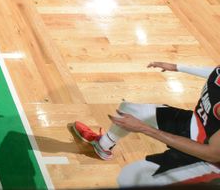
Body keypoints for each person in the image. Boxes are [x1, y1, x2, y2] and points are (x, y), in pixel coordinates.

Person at [70, 61, 220, 186]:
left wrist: (144, 128)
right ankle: (103, 146)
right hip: (196, 124)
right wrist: (177, 67)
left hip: (205, 159)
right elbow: (216, 72)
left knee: (130, 176)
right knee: (130, 110)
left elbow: (212, 154)